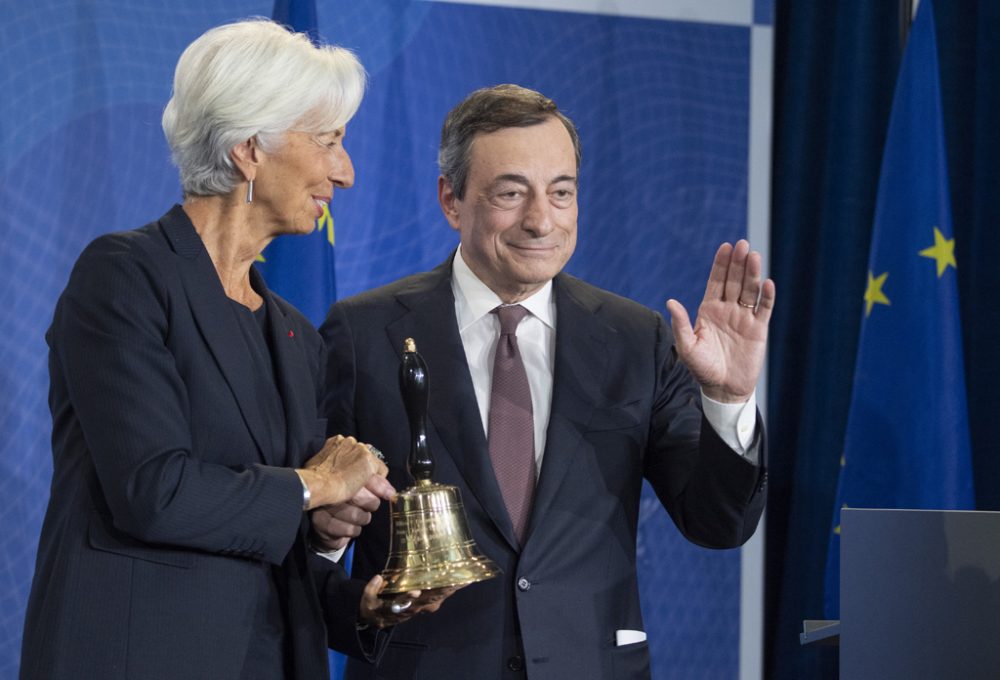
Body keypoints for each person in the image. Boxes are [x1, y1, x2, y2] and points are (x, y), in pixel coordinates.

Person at [315, 84, 773, 679]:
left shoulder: (636, 339)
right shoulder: (364, 331)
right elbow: (313, 541)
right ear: (451, 200)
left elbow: (719, 524)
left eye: (562, 193)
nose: (541, 221)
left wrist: (728, 399)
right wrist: (336, 553)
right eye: (511, 193)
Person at [19, 19, 396, 680]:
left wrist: (345, 573)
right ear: (250, 149)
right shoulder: (126, 276)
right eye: (329, 141)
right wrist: (313, 485)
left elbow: (265, 542)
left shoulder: (296, 336)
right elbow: (153, 489)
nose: (346, 171)